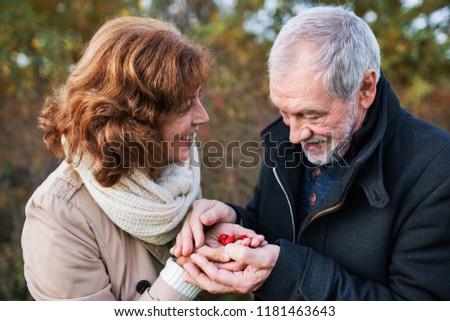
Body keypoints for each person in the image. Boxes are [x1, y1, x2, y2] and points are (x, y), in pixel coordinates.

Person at [171, 6, 450, 300]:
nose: (294, 135)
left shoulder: (435, 170)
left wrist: (286, 273)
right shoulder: (289, 140)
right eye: (285, 112)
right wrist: (235, 222)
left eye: (312, 114)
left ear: (365, 89)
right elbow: (271, 226)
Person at [21, 16, 263, 301]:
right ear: (133, 116)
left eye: (199, 98)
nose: (203, 116)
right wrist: (184, 275)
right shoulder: (58, 216)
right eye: (184, 105)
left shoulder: (177, 172)